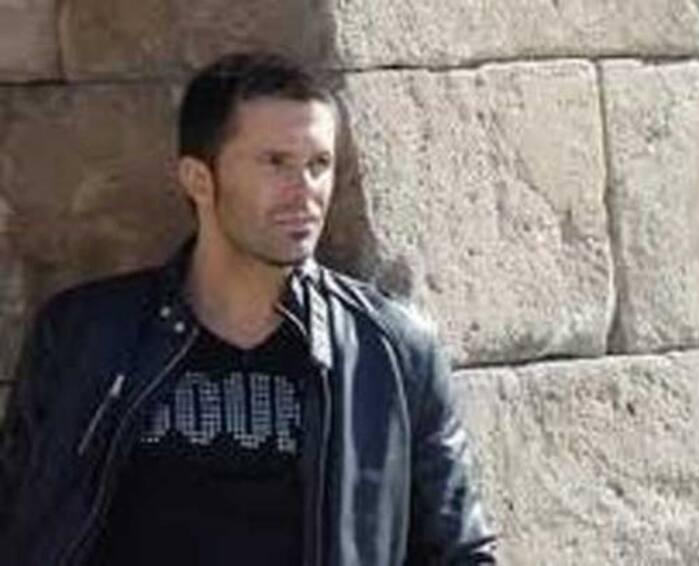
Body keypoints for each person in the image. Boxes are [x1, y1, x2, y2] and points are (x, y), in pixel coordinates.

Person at [0, 52, 496, 565]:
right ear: (199, 179)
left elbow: (460, 552)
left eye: (319, 164)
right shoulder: (86, 336)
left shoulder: (390, 350)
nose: (305, 192)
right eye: (275, 162)